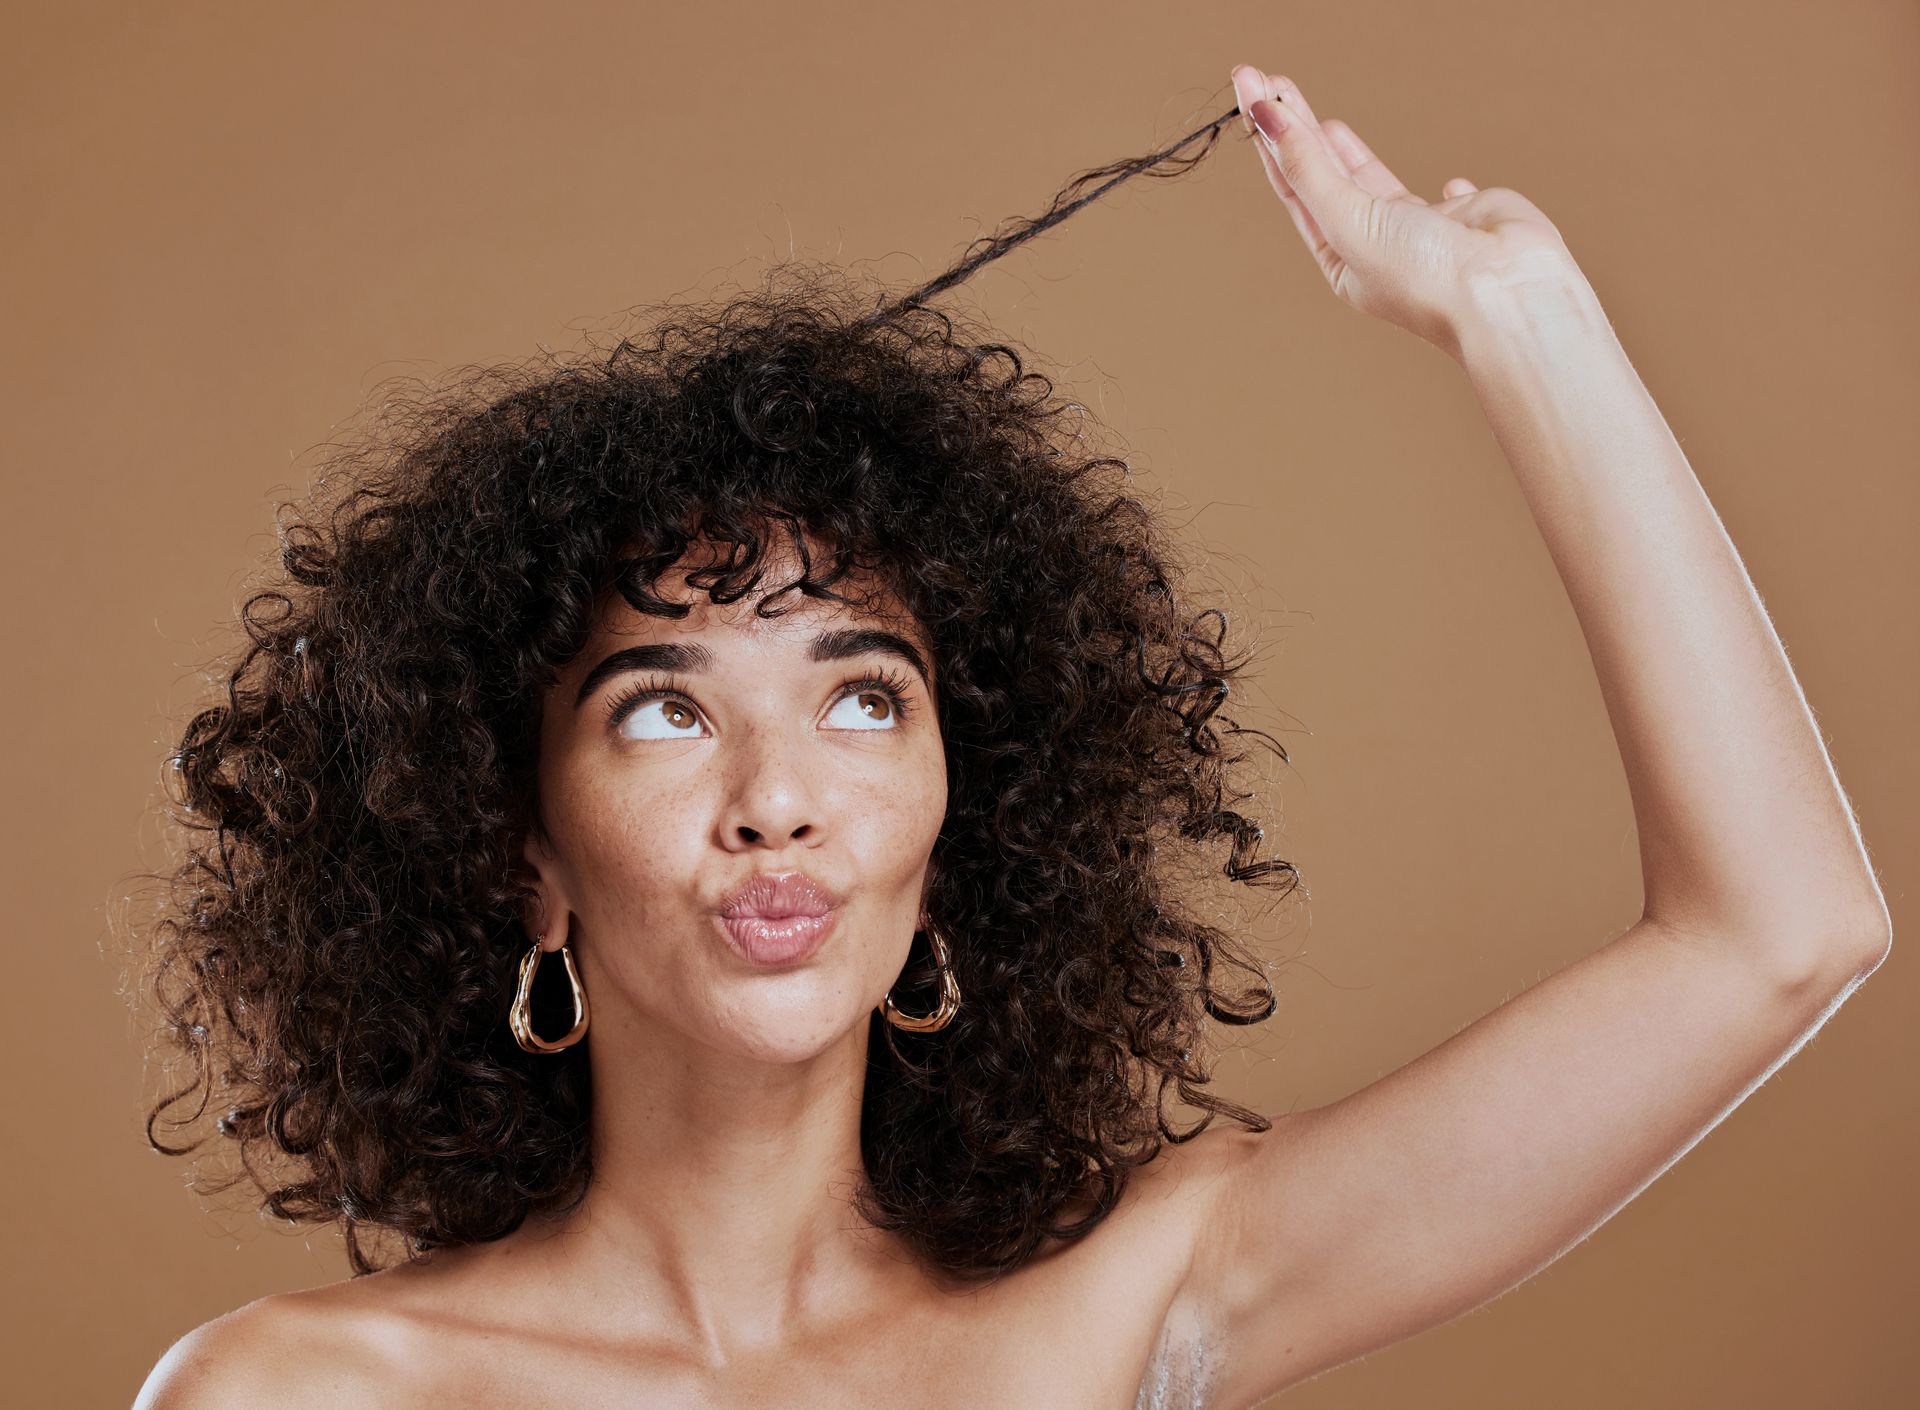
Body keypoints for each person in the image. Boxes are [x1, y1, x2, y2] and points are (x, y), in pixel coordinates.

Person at [133, 63, 1889, 1409]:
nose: (780, 804)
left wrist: (1521, 321)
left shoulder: (1137, 1295)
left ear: (965, 811)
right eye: (666, 707)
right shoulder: (298, 1390)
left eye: (860, 695)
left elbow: (1781, 931)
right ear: (521, 849)